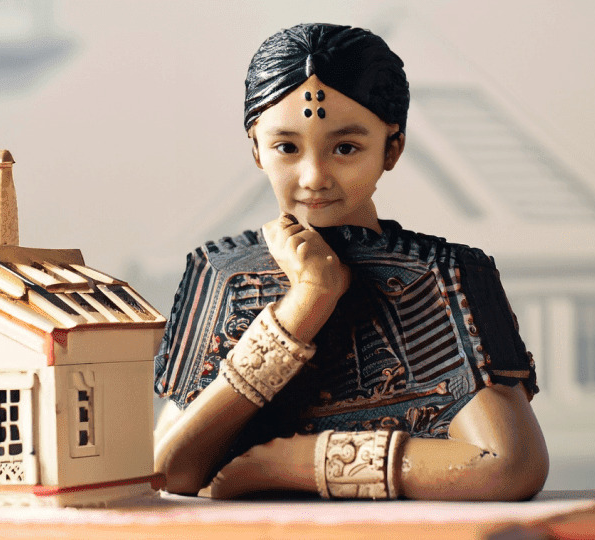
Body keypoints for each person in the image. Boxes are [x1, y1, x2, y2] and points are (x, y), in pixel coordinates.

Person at [153, 23, 547, 501]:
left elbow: (510, 466)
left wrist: (292, 462)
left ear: (392, 147)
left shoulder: (442, 276)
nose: (314, 177)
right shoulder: (221, 273)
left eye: (345, 148)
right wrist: (307, 301)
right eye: (287, 147)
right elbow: (166, 471)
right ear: (256, 147)